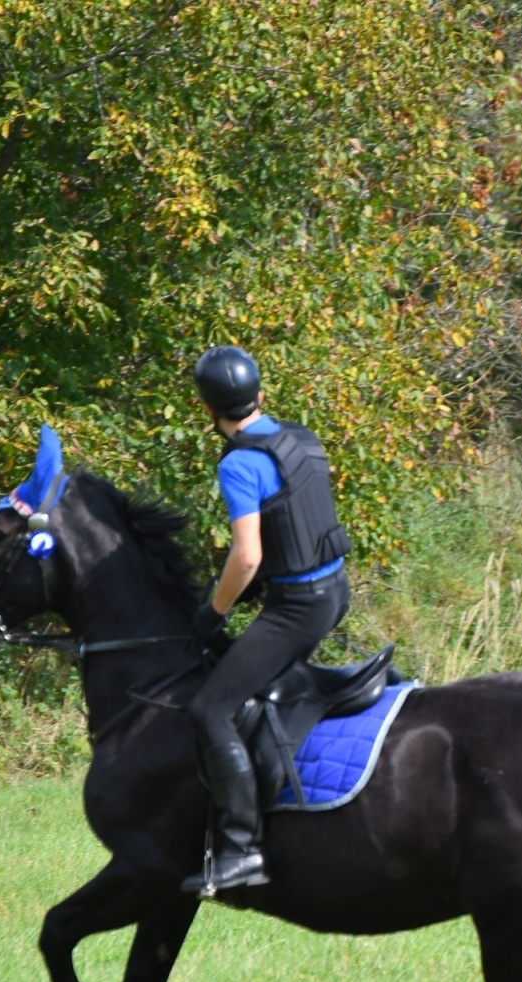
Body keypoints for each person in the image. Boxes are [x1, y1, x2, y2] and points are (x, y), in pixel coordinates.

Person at [180, 345, 352, 896]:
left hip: (298, 607)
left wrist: (214, 611)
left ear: (206, 409)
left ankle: (242, 850)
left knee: (210, 708)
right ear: (261, 395)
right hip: (335, 591)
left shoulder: (238, 464)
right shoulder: (300, 438)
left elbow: (247, 556)